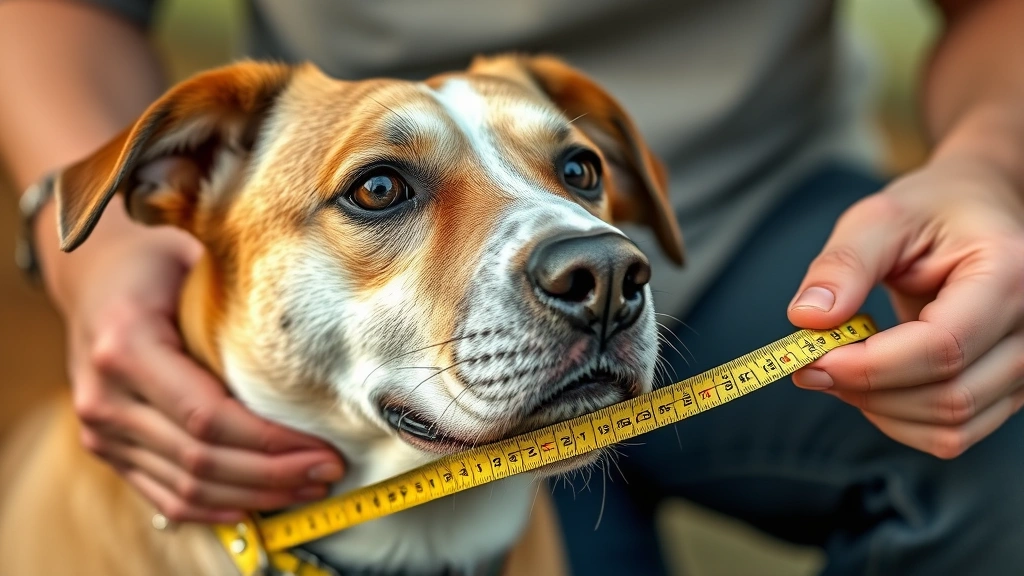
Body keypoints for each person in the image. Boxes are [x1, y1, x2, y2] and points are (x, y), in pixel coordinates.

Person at [1, 1, 1021, 574]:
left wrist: (989, 168)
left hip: (776, 224)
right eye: (383, 188)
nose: (588, 251)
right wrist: (86, 261)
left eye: (576, 175)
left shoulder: (625, 259)